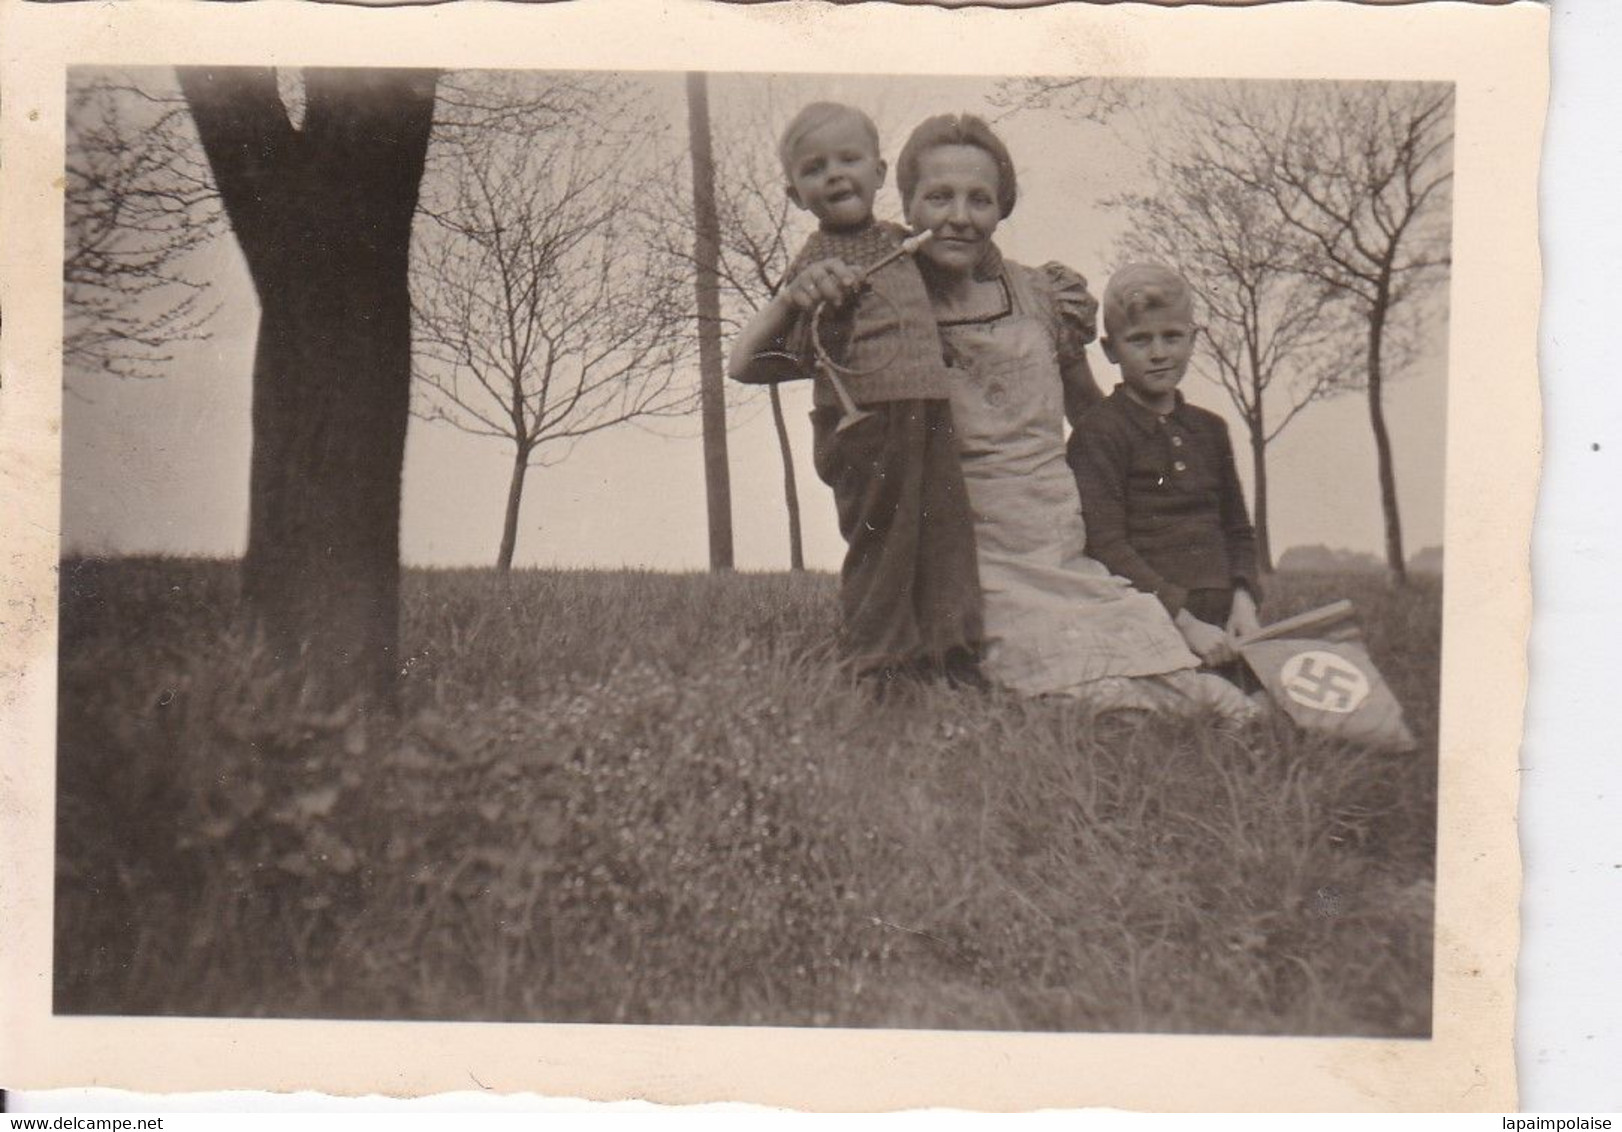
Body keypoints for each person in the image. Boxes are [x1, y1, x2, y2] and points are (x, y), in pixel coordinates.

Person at [893, 113, 1252, 717]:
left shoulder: (1040, 295)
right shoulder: (895, 305)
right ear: (907, 206)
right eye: (939, 196)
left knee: (1145, 640)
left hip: (1058, 528)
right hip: (970, 536)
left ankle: (1207, 705)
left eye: (980, 198)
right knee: (1047, 665)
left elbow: (1091, 414)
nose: (960, 215)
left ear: (1002, 207)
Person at [727, 102, 982, 685]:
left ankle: (953, 656)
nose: (836, 175)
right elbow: (751, 362)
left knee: (946, 537)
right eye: (815, 168)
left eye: (849, 159)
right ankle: (879, 665)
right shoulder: (815, 263)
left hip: (929, 414)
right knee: (883, 546)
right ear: (796, 196)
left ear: (880, 172)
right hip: (866, 425)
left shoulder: (905, 242)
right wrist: (798, 299)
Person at [1069, 263, 1264, 674]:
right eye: (1139, 340)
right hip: (1152, 615)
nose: (1159, 353)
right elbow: (1107, 546)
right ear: (1109, 349)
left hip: (1229, 618)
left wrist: (1245, 601)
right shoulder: (1098, 432)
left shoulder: (1211, 429)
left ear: (1193, 339)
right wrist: (1184, 623)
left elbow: (1238, 529)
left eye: (1172, 336)